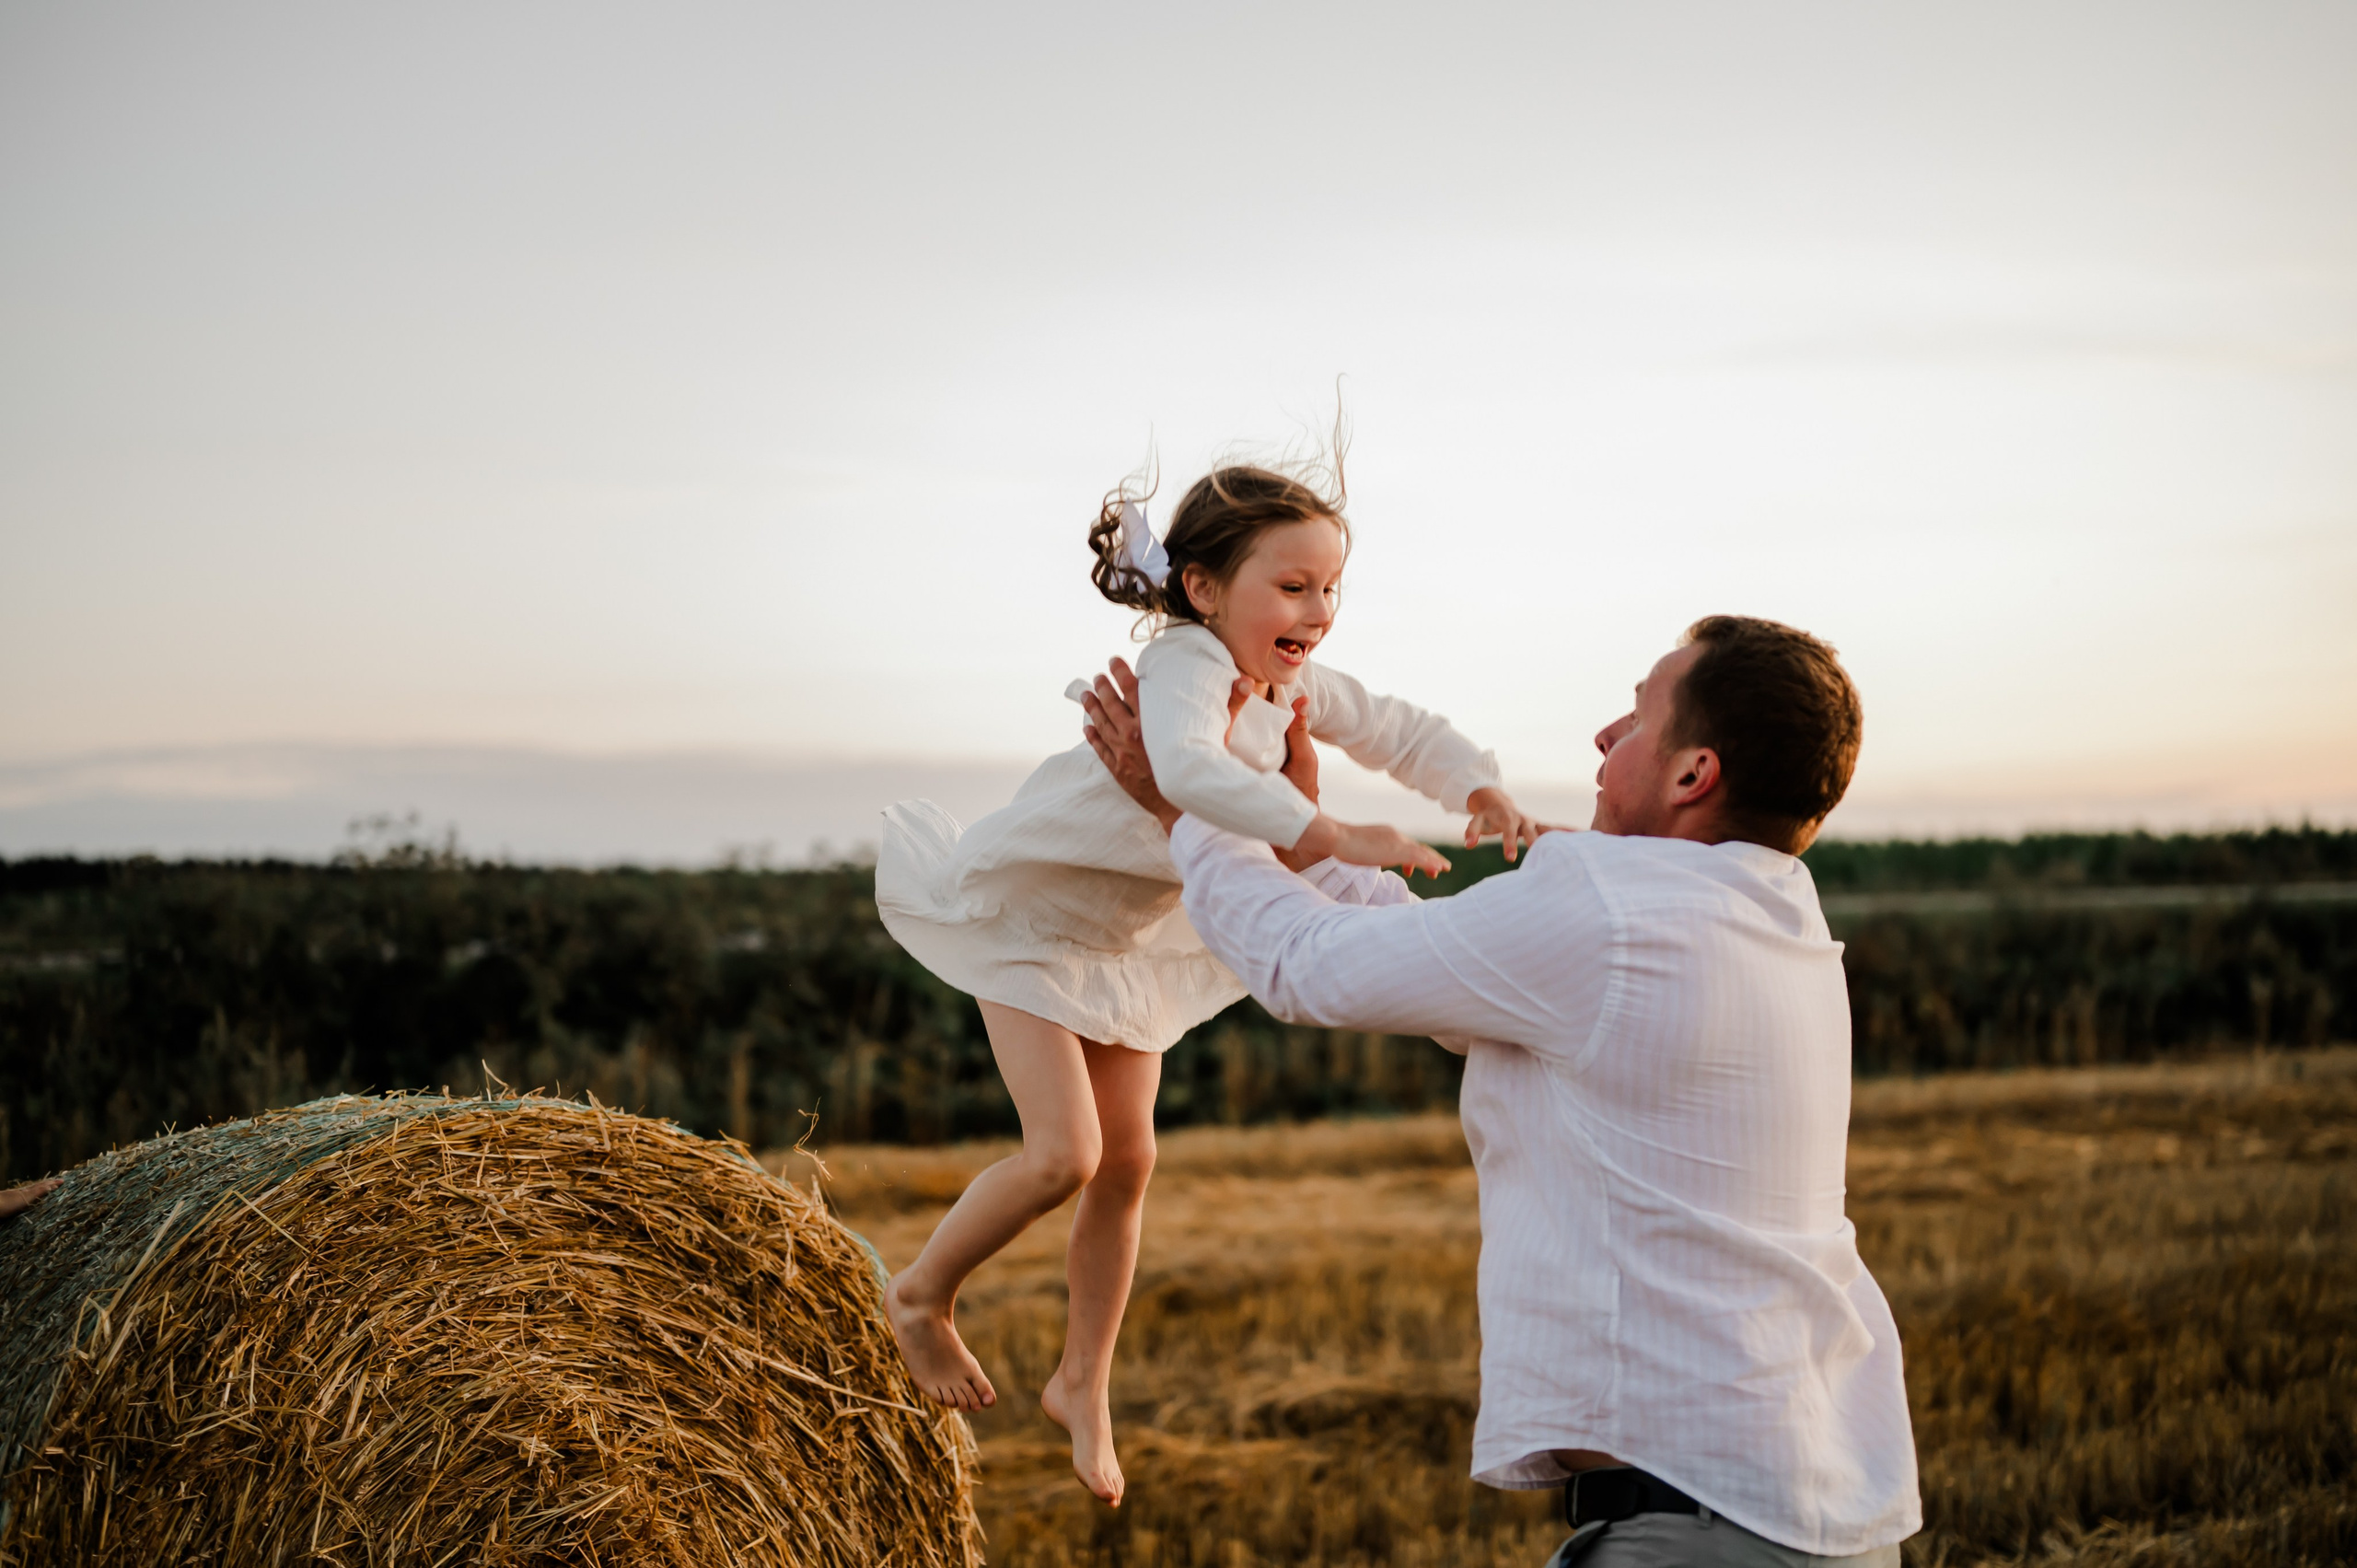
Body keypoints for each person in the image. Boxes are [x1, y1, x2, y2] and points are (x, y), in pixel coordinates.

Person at [1077, 616, 1920, 1565]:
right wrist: (1303, 848)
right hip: (1827, 1519)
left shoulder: (1613, 908)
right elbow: (1437, 967)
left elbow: (1305, 966)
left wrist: (1189, 809)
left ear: (1694, 773)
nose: (1605, 734)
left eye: (1637, 718)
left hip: (1697, 1529)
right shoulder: (1771, 915)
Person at [874, 458, 1546, 1505]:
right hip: (1032, 921)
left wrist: (1481, 787)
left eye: (1331, 588)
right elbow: (1184, 770)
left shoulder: (1292, 685)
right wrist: (1329, 831)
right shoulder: (1187, 662)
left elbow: (1398, 726)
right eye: (1293, 586)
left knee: (1130, 1162)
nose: (1318, 610)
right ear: (1202, 588)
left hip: (1128, 941)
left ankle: (1081, 1380)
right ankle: (920, 1294)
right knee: (1066, 1154)